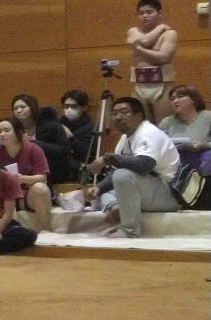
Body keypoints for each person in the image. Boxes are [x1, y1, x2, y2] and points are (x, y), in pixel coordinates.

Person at [89, 95, 180, 238]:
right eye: (114, 113)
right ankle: (117, 208)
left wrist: (108, 158)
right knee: (105, 190)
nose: (118, 117)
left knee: (122, 176)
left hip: (167, 193)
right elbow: (118, 170)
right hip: (146, 190)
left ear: (138, 116)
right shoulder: (126, 137)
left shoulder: (149, 133)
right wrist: (98, 187)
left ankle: (129, 230)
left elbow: (144, 165)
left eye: (124, 112)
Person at [0, 117, 53, 232]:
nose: (2, 134)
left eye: (6, 130)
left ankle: (45, 231)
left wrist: (23, 179)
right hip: (7, 197)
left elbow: (42, 177)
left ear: (17, 132)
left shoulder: (33, 149)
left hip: (28, 195)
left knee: (41, 188)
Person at [127, 0, 178, 118]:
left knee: (164, 125)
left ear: (159, 13)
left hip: (162, 85)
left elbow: (164, 58)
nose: (145, 16)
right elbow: (145, 41)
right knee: (142, 126)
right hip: (139, 85)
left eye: (149, 12)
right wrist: (160, 28)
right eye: (141, 13)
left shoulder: (170, 33)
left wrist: (139, 49)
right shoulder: (133, 31)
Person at [159, 85, 211, 162]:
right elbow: (158, 144)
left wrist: (204, 145)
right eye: (172, 99)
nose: (175, 101)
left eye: (180, 97)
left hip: (203, 160)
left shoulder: (208, 116)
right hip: (174, 161)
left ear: (194, 100)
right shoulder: (167, 122)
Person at [55, 89, 97, 182]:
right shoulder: (58, 124)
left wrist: (71, 137)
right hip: (59, 170)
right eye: (66, 106)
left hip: (79, 172)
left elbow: (86, 153)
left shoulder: (90, 127)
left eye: (74, 107)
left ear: (84, 107)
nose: (69, 110)